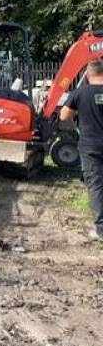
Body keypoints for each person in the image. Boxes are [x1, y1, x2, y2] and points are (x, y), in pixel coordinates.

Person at [60, 59, 103, 240]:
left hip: (91, 147)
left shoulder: (80, 92)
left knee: (96, 186)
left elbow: (64, 116)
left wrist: (80, 110)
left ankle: (101, 230)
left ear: (88, 74)